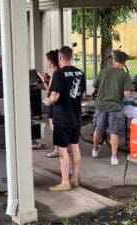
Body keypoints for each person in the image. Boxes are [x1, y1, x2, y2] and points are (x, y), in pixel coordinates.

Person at [45, 46, 86, 192]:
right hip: (76, 116)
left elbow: (54, 96)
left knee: (62, 151)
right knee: (75, 147)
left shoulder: (59, 74)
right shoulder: (80, 73)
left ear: (60, 58)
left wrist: (48, 101)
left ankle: (64, 182)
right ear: (71, 56)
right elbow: (82, 94)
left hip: (62, 117)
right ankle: (75, 179)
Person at [92, 51, 133, 166]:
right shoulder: (125, 75)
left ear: (114, 60)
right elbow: (127, 95)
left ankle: (95, 150)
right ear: (124, 63)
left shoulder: (104, 71)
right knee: (114, 132)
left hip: (101, 105)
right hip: (115, 107)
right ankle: (113, 158)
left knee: (98, 129)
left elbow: (94, 85)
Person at [37, 50, 60, 157]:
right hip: (59, 104)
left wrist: (43, 80)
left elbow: (50, 90)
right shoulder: (58, 72)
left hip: (53, 103)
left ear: (51, 61)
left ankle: (58, 150)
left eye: (47, 60)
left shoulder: (55, 73)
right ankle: (62, 148)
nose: (47, 62)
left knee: (54, 127)